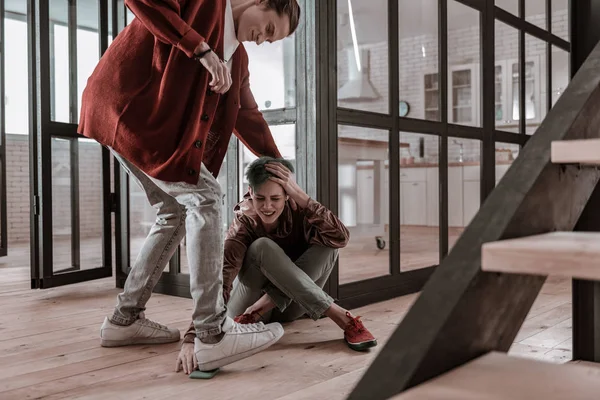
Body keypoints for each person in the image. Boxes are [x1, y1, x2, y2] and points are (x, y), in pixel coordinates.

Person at [78, 0, 301, 372]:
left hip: (139, 122)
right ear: (260, 2)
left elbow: (247, 115)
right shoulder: (204, 4)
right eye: (269, 29)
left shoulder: (237, 59)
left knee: (176, 211)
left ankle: (124, 319)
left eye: (270, 40)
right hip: (127, 109)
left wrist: (278, 166)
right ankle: (211, 333)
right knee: (206, 197)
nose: (262, 40)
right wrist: (199, 48)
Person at [176, 157, 378, 374]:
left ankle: (263, 306)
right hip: (244, 310)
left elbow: (341, 237)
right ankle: (342, 318)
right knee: (263, 246)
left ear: (288, 196)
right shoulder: (245, 220)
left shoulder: (301, 211)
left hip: (289, 307)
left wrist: (302, 197)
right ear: (250, 193)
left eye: (275, 198)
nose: (267, 206)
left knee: (329, 246)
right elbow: (222, 277)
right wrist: (192, 337)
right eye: (260, 198)